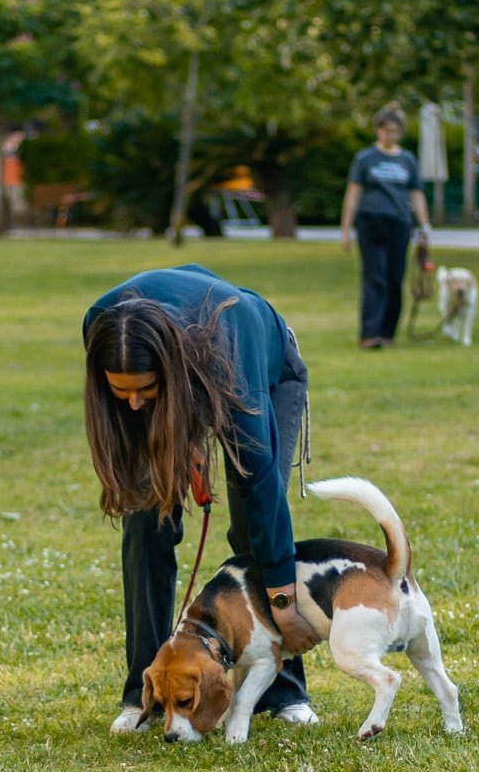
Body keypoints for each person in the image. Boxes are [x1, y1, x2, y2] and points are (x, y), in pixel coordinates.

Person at [83, 265, 321, 735]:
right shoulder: (103, 324)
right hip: (184, 375)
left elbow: (262, 484)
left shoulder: (230, 346)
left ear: (166, 372)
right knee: (145, 523)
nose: (132, 405)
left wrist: (284, 602)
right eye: (119, 391)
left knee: (252, 521)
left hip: (265, 370)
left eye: (144, 390)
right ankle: (143, 693)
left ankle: (285, 689)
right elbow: (134, 400)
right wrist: (171, 425)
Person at [340, 104, 431, 348]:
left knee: (394, 277)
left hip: (399, 223)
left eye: (395, 131)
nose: (390, 136)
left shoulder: (407, 160)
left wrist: (424, 224)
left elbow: (416, 193)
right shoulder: (365, 159)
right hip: (371, 222)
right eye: (386, 130)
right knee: (374, 276)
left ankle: (388, 333)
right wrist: (346, 229)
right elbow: (353, 193)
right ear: (378, 131)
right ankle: (370, 333)